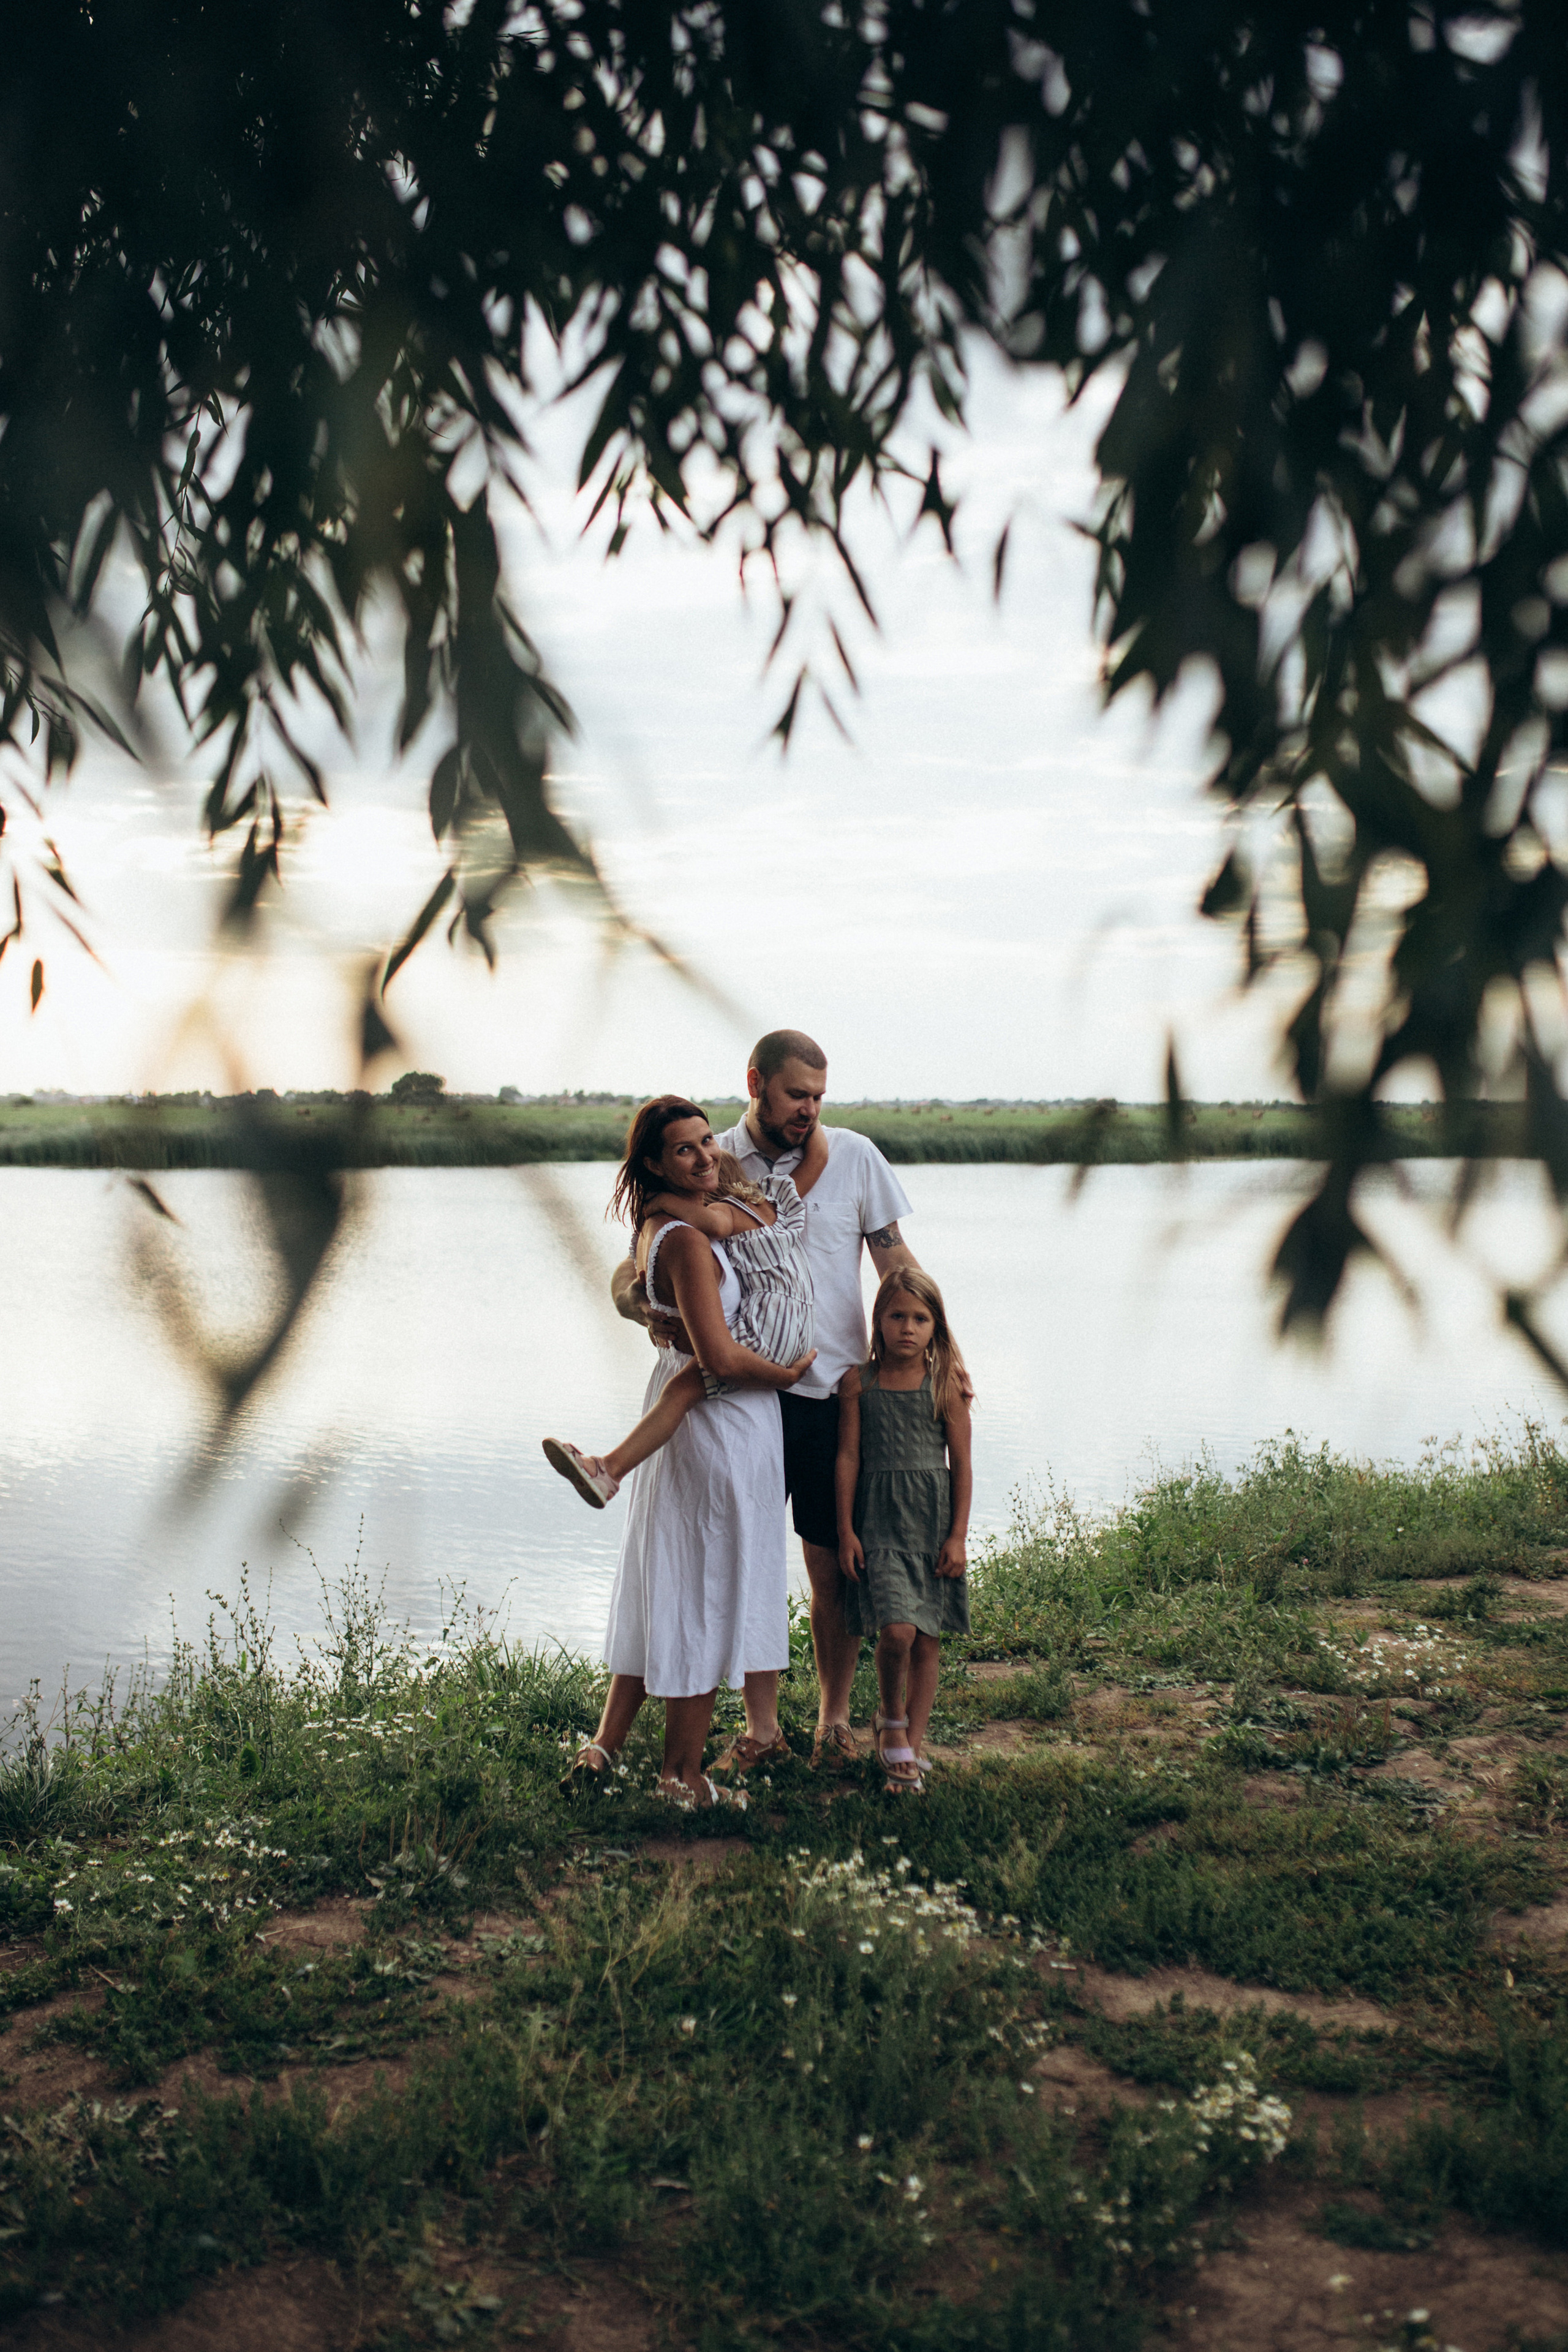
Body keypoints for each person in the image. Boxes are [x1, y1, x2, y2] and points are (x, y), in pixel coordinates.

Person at [612, 1030, 921, 1772]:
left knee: (832, 1562)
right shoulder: (707, 1159)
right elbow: (636, 1267)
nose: (809, 1110)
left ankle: (835, 1719)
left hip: (831, 1390)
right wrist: (642, 1310)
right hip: (740, 1398)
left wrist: (939, 1348)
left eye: (819, 1096)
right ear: (755, 1082)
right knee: (742, 1558)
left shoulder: (854, 1157)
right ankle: (760, 1729)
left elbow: (895, 1261)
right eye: (795, 1095)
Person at [563, 1097, 814, 1804]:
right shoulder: (684, 1240)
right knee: (704, 1590)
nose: (705, 1156)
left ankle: (607, 1748)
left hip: (692, 1412)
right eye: (685, 1150)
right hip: (721, 1425)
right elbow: (721, 1359)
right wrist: (788, 1375)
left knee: (668, 1578)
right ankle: (683, 1776)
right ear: (652, 1163)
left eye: (708, 1142)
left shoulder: (658, 1228)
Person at [542, 1128, 821, 1507]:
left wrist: (661, 1205)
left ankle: (609, 1469)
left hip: (769, 1333)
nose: (705, 1157)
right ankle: (606, 1469)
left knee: (680, 1390)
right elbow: (816, 1161)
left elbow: (714, 1225)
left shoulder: (725, 1214)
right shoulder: (771, 1206)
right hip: (794, 1328)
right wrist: (815, 1123)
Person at [835, 1267, 973, 1792]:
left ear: (936, 1326)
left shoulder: (947, 1384)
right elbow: (848, 1456)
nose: (908, 1329)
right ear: (879, 1320)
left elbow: (961, 1465)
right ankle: (890, 1716)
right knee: (896, 1631)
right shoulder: (858, 1383)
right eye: (897, 1316)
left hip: (931, 1523)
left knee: (927, 1642)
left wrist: (957, 1535)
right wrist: (847, 1530)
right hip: (880, 1522)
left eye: (920, 1318)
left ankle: (908, 1752)